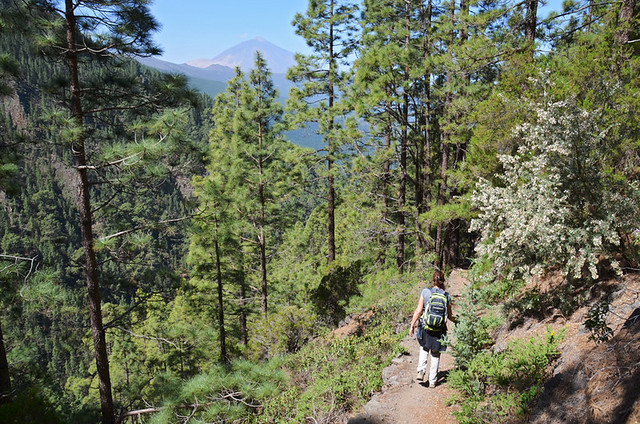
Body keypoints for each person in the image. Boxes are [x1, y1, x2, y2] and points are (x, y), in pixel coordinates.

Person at [409, 270, 455, 388]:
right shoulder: (446, 296)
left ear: (433, 280)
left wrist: (412, 325)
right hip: (439, 330)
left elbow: (419, 311)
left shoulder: (425, 292)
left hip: (426, 327)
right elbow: (449, 316)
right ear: (443, 281)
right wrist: (457, 321)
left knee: (424, 347)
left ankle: (421, 371)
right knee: (435, 353)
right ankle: (433, 381)